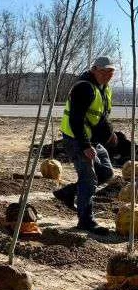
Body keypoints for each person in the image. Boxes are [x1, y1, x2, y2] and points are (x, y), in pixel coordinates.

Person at [54, 56, 116, 235]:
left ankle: (67, 193)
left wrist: (110, 135)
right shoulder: (84, 87)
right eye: (105, 71)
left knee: (106, 172)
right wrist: (85, 145)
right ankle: (85, 221)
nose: (108, 75)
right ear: (94, 69)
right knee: (89, 180)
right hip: (77, 139)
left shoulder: (105, 88)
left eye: (111, 72)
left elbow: (101, 115)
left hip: (92, 140)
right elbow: (76, 119)